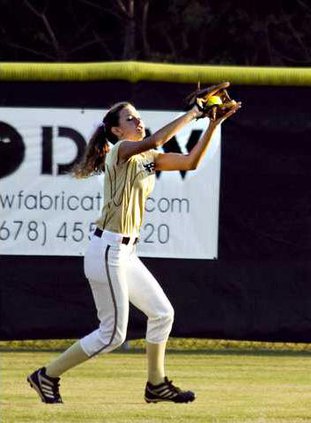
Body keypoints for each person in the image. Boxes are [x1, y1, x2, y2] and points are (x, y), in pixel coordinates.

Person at [27, 86, 241, 404]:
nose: (138, 121)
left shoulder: (148, 160)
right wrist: (194, 112)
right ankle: (47, 375)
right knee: (113, 334)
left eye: (138, 117)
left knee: (162, 313)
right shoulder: (120, 152)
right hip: (107, 250)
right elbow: (155, 140)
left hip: (125, 253)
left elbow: (191, 162)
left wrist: (213, 124)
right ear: (116, 130)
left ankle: (156, 385)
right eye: (130, 118)